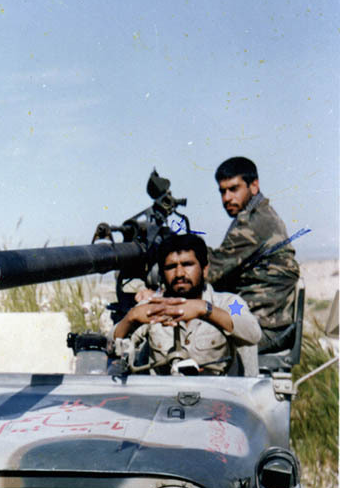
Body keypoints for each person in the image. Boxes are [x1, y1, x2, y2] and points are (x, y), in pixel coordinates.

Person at [112, 233, 261, 374]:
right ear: (162, 273)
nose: (179, 274)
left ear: (204, 269)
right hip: (163, 391)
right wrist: (131, 317)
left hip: (217, 391)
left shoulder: (227, 303)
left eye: (187, 264)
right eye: (171, 267)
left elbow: (252, 333)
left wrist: (204, 309)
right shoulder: (153, 306)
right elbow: (111, 346)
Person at [207, 156, 300, 352]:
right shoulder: (260, 214)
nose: (227, 198)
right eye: (222, 191)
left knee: (199, 343)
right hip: (268, 323)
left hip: (265, 330)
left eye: (234, 189)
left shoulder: (254, 223)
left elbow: (210, 271)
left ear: (254, 186)